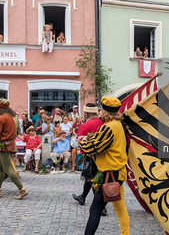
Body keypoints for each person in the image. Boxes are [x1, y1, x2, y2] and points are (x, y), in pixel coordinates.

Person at [79, 97, 129, 235]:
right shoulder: (120, 124)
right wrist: (88, 138)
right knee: (120, 208)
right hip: (119, 172)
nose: (100, 111)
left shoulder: (108, 126)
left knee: (95, 209)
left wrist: (80, 143)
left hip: (109, 174)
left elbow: (96, 147)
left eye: (101, 109)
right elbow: (104, 141)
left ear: (105, 110)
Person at [0, 98, 28, 199]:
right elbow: (16, 131)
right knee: (0, 168)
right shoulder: (11, 117)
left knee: (8, 169)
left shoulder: (1, 119)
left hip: (4, 145)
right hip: (9, 144)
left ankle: (22, 189)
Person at [72, 104, 103, 204]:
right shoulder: (102, 122)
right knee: (90, 178)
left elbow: (79, 141)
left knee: (93, 179)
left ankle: (100, 206)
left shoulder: (86, 125)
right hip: (102, 154)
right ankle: (82, 197)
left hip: (90, 155)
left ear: (87, 113)